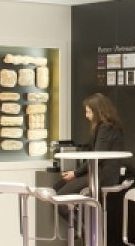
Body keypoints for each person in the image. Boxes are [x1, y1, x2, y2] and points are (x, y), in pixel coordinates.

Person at [54, 93, 129, 222]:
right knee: (56, 188)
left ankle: (82, 228)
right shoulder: (106, 128)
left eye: (89, 112)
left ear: (98, 112)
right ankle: (81, 221)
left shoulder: (106, 129)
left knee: (60, 198)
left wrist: (75, 173)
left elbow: (97, 156)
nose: (86, 116)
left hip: (102, 176)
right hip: (96, 174)